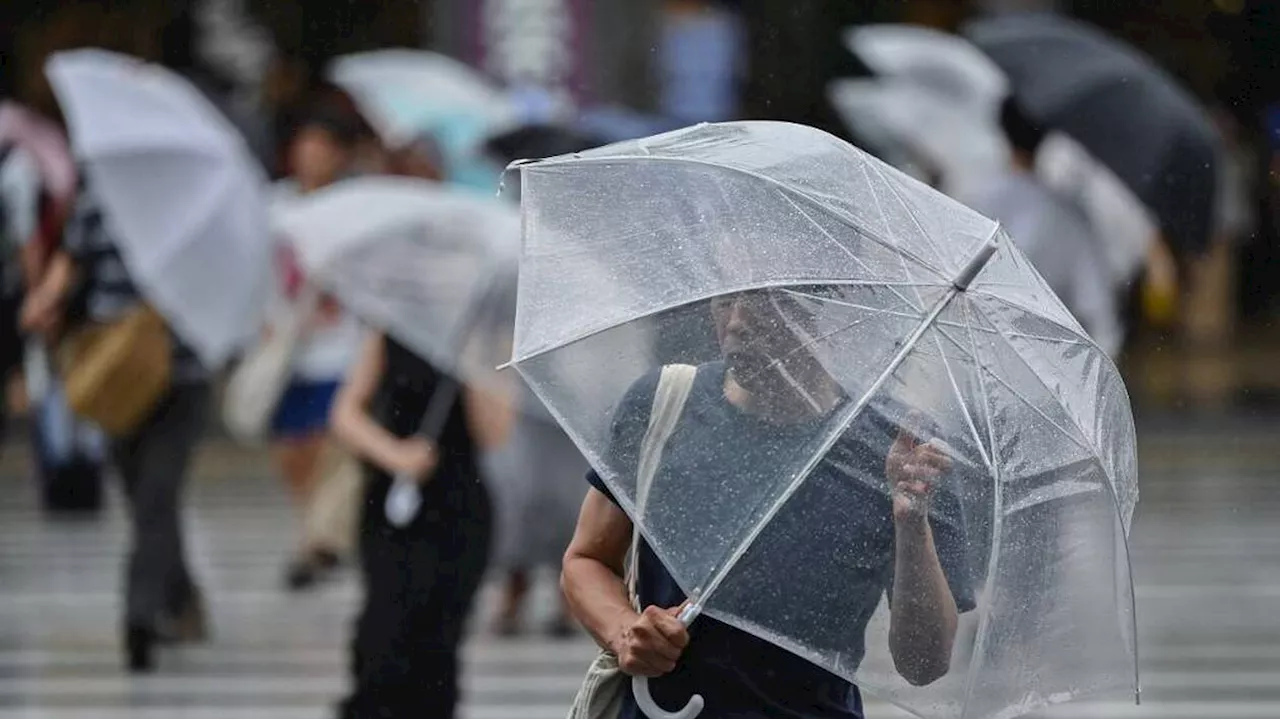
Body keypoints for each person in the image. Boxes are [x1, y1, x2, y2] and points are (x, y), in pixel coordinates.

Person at [562, 288, 975, 718]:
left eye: (763, 303)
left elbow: (924, 663)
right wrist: (625, 631)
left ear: (825, 313)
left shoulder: (898, 445)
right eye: (724, 300)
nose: (736, 322)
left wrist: (911, 523)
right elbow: (587, 558)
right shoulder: (664, 403)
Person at [19, 172, 210, 672]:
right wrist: (45, 299)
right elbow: (73, 258)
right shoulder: (97, 197)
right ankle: (181, 596)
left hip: (180, 369)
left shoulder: (193, 201)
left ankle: (139, 615)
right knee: (140, 493)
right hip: (114, 367)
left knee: (157, 493)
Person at [330, 332, 494, 719]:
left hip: (458, 504)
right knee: (383, 632)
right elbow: (345, 413)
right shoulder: (390, 326)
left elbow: (495, 431)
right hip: (392, 502)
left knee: (438, 642)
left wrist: (475, 364)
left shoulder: (484, 337)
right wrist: (396, 455)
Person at [268, 106, 367, 589]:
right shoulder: (276, 206)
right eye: (304, 149)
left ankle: (317, 540)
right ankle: (314, 528)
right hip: (288, 350)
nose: (312, 159)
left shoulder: (355, 205)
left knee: (332, 449)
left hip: (341, 350)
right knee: (295, 453)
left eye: (321, 150)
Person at [966, 96, 1122, 356]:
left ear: (1002, 130)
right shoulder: (1069, 215)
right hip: (1048, 362)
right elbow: (1097, 308)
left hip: (981, 355)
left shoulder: (973, 203)